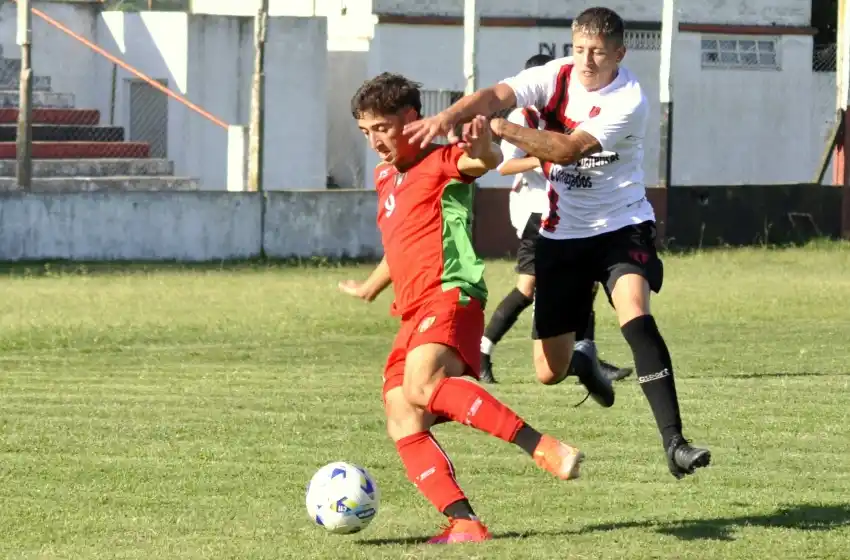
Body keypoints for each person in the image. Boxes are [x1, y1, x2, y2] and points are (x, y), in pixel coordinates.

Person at [403, 7, 711, 480]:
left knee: (635, 313)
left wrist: (499, 127)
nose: (587, 61)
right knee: (549, 369)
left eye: (599, 53)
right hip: (561, 235)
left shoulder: (628, 98)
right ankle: (583, 358)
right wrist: (448, 115)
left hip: (620, 225)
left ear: (620, 54)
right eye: (581, 49)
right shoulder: (554, 75)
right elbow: (494, 94)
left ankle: (675, 442)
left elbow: (566, 149)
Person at [338, 72, 585, 545]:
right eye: (365, 132)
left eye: (382, 129)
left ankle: (543, 447)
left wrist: (485, 143)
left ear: (412, 120)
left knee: (421, 384)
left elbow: (483, 160)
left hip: (451, 291)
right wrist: (371, 287)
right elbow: (400, 240)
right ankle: (464, 523)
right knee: (400, 412)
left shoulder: (441, 159)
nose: (374, 141)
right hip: (412, 308)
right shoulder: (384, 175)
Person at [480, 52, 633, 386]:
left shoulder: (569, 109)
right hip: (535, 211)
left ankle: (585, 354)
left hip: (562, 209)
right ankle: (483, 350)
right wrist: (545, 158)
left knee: (586, 281)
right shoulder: (522, 114)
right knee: (527, 288)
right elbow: (505, 166)